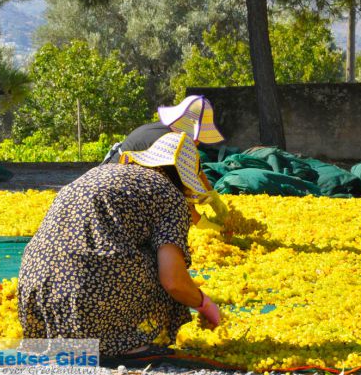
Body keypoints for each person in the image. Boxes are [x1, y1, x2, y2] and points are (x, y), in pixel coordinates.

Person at [18, 132, 222, 359]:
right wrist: (203, 303)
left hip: (37, 299)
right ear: (183, 178)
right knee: (161, 261)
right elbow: (173, 280)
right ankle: (124, 344)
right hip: (90, 297)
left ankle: (75, 339)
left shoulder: (99, 172)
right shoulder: (168, 194)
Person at [102, 95, 225, 164]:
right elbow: (179, 187)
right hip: (115, 179)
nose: (198, 143)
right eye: (198, 139)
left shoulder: (161, 129)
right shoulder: (170, 144)